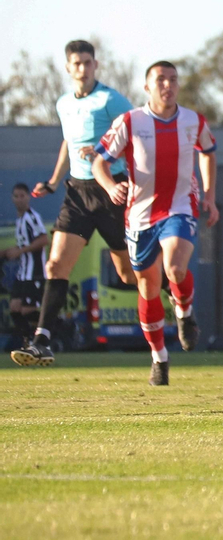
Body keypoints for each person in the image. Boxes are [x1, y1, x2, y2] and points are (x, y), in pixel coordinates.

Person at [90, 62, 218, 386]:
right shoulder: (130, 121)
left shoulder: (193, 120)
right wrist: (109, 185)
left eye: (173, 79)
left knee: (175, 268)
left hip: (180, 206)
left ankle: (185, 314)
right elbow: (99, 162)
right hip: (140, 214)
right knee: (147, 286)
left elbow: (208, 152)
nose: (168, 85)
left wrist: (210, 195)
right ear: (147, 87)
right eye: (160, 79)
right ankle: (159, 357)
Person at [11, 40, 136, 368]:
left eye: (87, 62)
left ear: (96, 65)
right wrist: (53, 182)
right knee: (55, 266)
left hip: (112, 190)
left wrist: (103, 150)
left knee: (127, 275)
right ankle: (42, 342)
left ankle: (178, 294)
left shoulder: (110, 99)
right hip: (77, 193)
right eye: (76, 63)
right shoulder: (64, 103)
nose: (82, 68)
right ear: (68, 68)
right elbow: (68, 142)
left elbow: (137, 135)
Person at [7, 184, 48, 350]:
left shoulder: (32, 217)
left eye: (22, 196)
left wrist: (21, 251)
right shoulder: (20, 220)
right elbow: (23, 245)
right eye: (16, 196)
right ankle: (27, 343)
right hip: (22, 274)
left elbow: (44, 240)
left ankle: (54, 327)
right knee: (15, 309)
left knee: (26, 311)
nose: (19, 199)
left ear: (28, 197)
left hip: (34, 273)